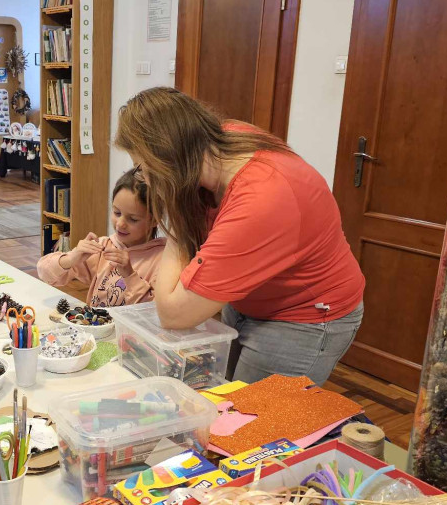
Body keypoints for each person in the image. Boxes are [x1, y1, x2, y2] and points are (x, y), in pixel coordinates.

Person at [114, 87, 365, 385]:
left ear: (168, 158)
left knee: (253, 423)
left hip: (303, 317)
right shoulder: (220, 138)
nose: (144, 179)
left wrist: (178, 211)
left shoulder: (260, 199)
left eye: (143, 168)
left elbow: (173, 314)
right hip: (250, 300)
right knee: (226, 397)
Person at [37, 169, 166, 307]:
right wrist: (71, 258)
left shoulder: (163, 258)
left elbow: (153, 312)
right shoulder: (104, 247)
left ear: (154, 220)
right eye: (117, 212)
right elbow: (44, 273)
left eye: (133, 219)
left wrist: (129, 274)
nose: (120, 223)